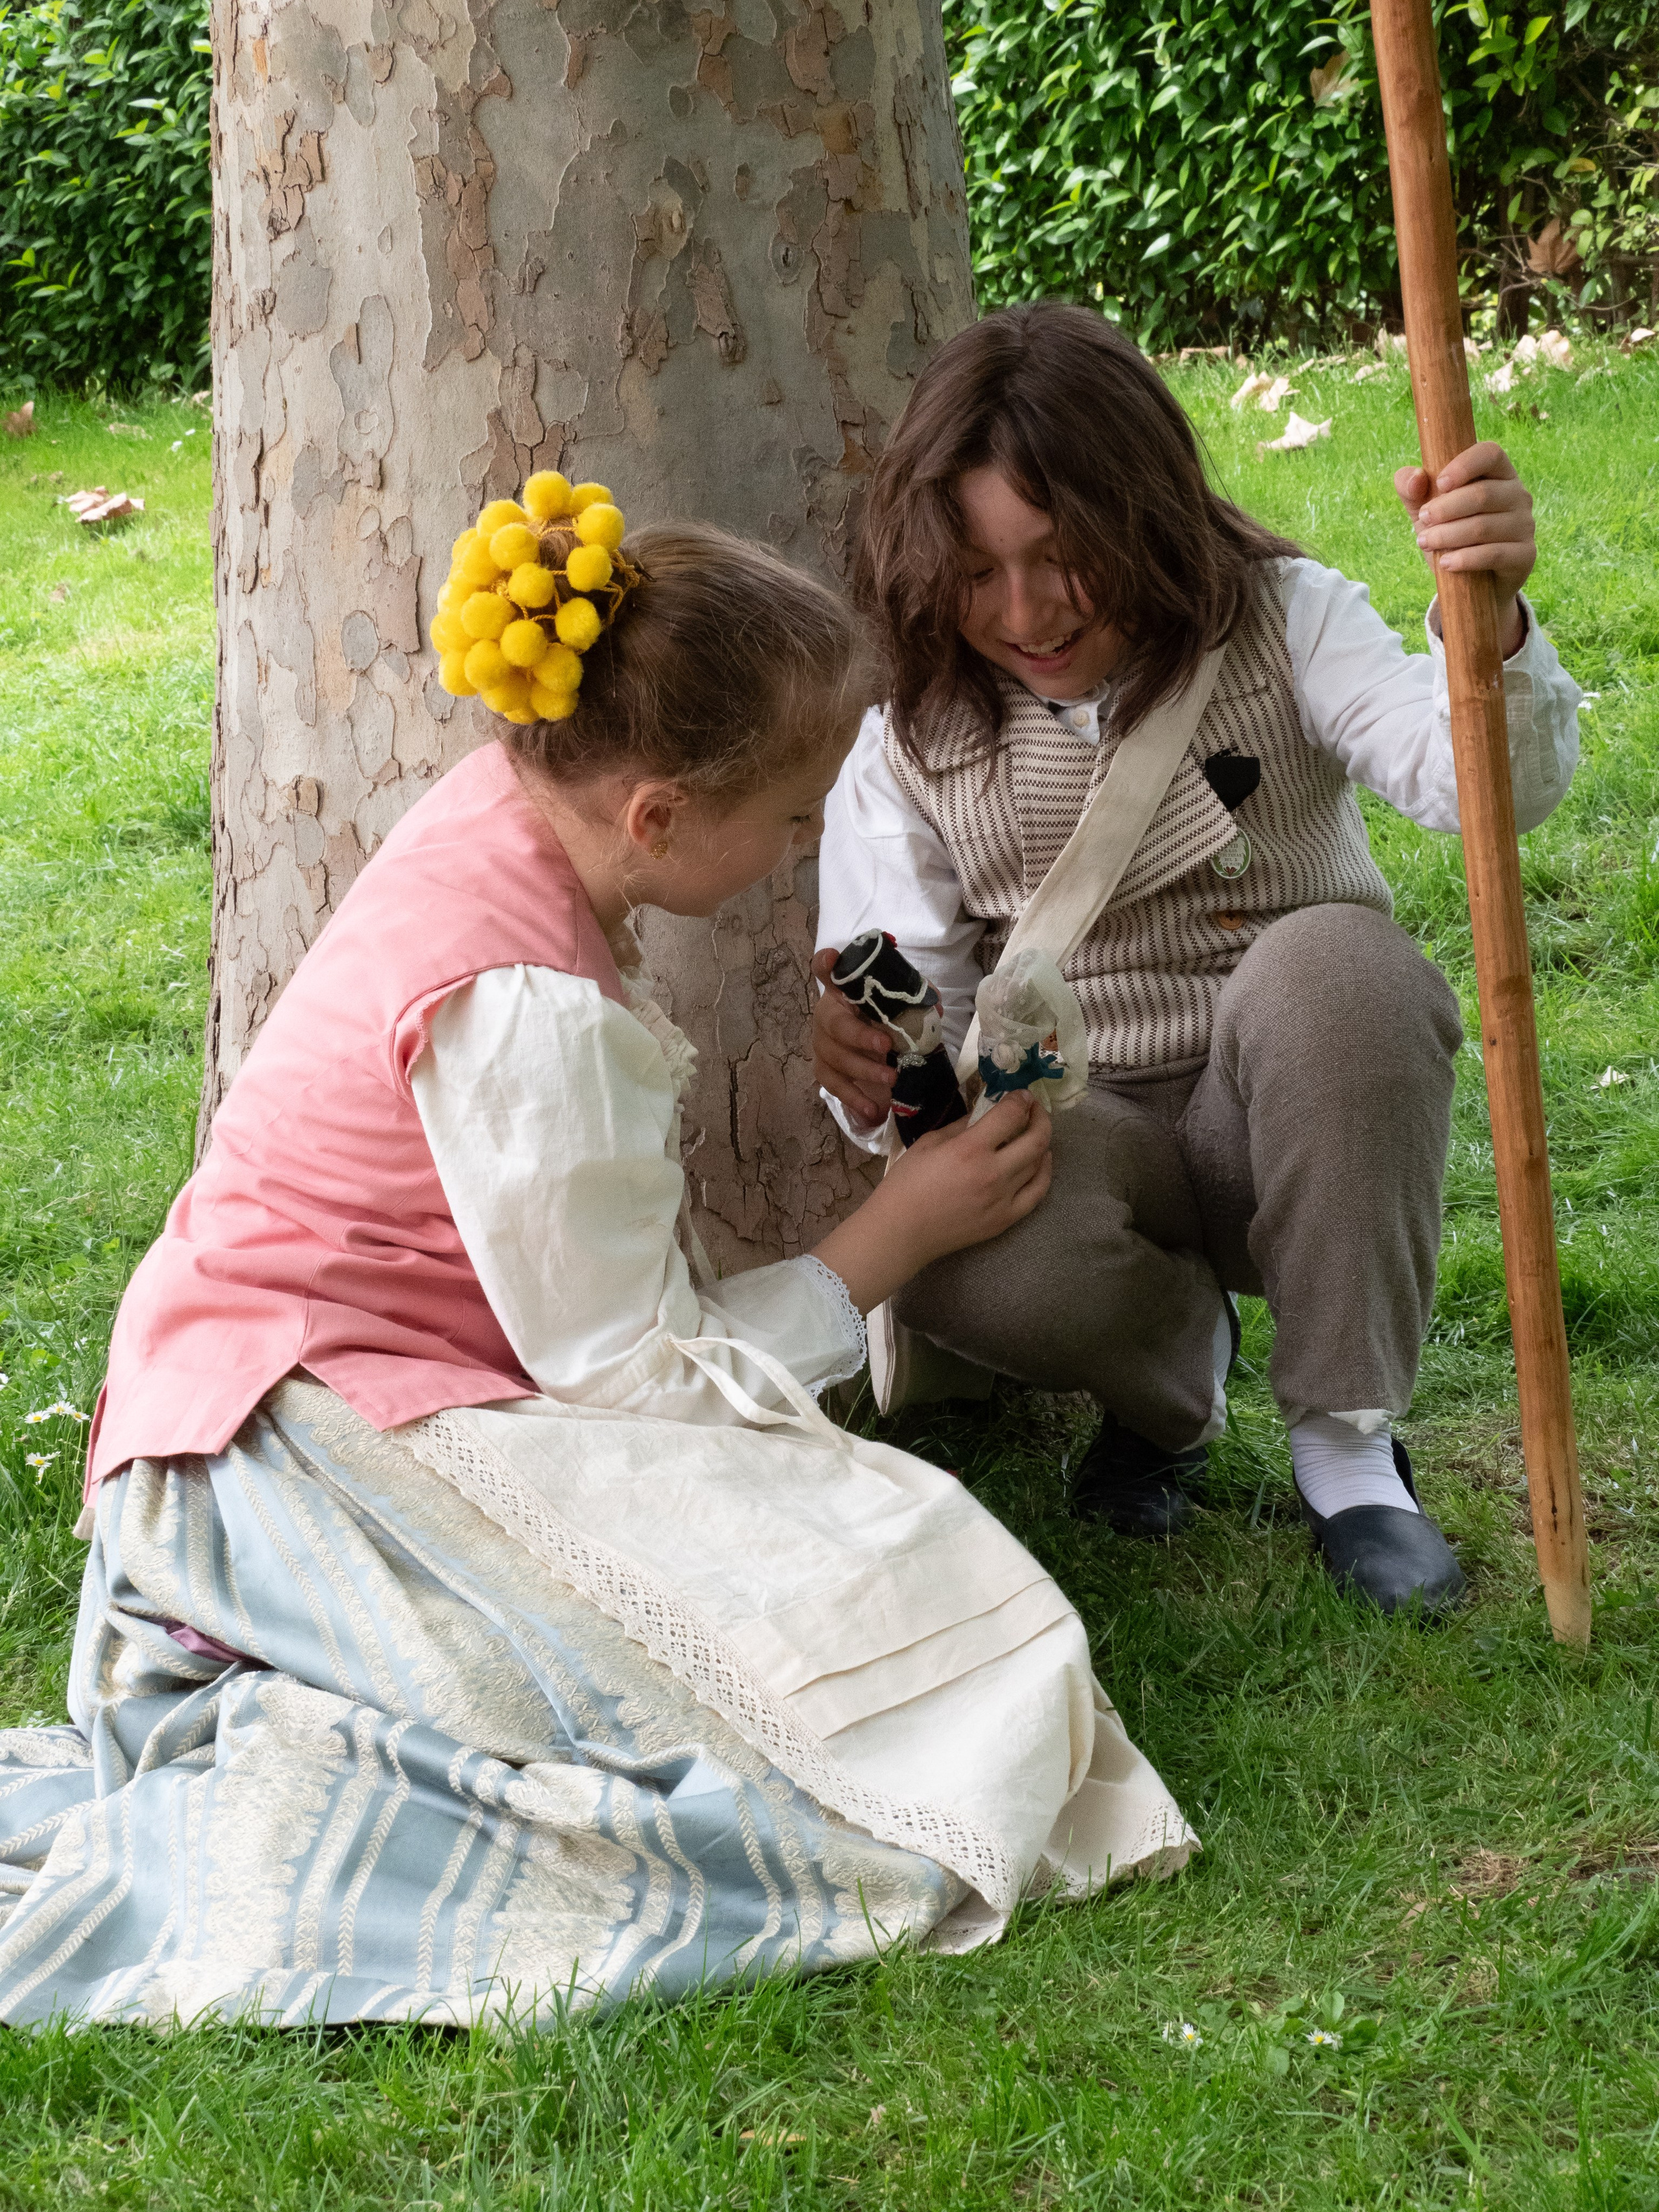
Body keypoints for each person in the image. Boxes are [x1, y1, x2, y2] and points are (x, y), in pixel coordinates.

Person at [0, 485, 1194, 2030]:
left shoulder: (498, 818)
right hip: (287, 1449)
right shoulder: (528, 1008)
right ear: (655, 817)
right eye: (786, 819)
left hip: (296, 1391)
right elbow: (631, 1389)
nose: (795, 850)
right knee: (894, 1616)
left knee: (859, 1577)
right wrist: (884, 1245)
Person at [813, 303, 1583, 1616]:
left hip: (1291, 1108)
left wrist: (1489, 628)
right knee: (954, 1255)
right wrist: (869, 1069)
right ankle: (1175, 1390)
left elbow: (1487, 789)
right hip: (1076, 1119)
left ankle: (1347, 1457)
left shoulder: (1286, 619)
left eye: (1063, 556)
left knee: (1340, 964)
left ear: (1145, 510)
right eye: (979, 570)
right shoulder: (908, 736)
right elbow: (914, 1007)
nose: (1027, 609)